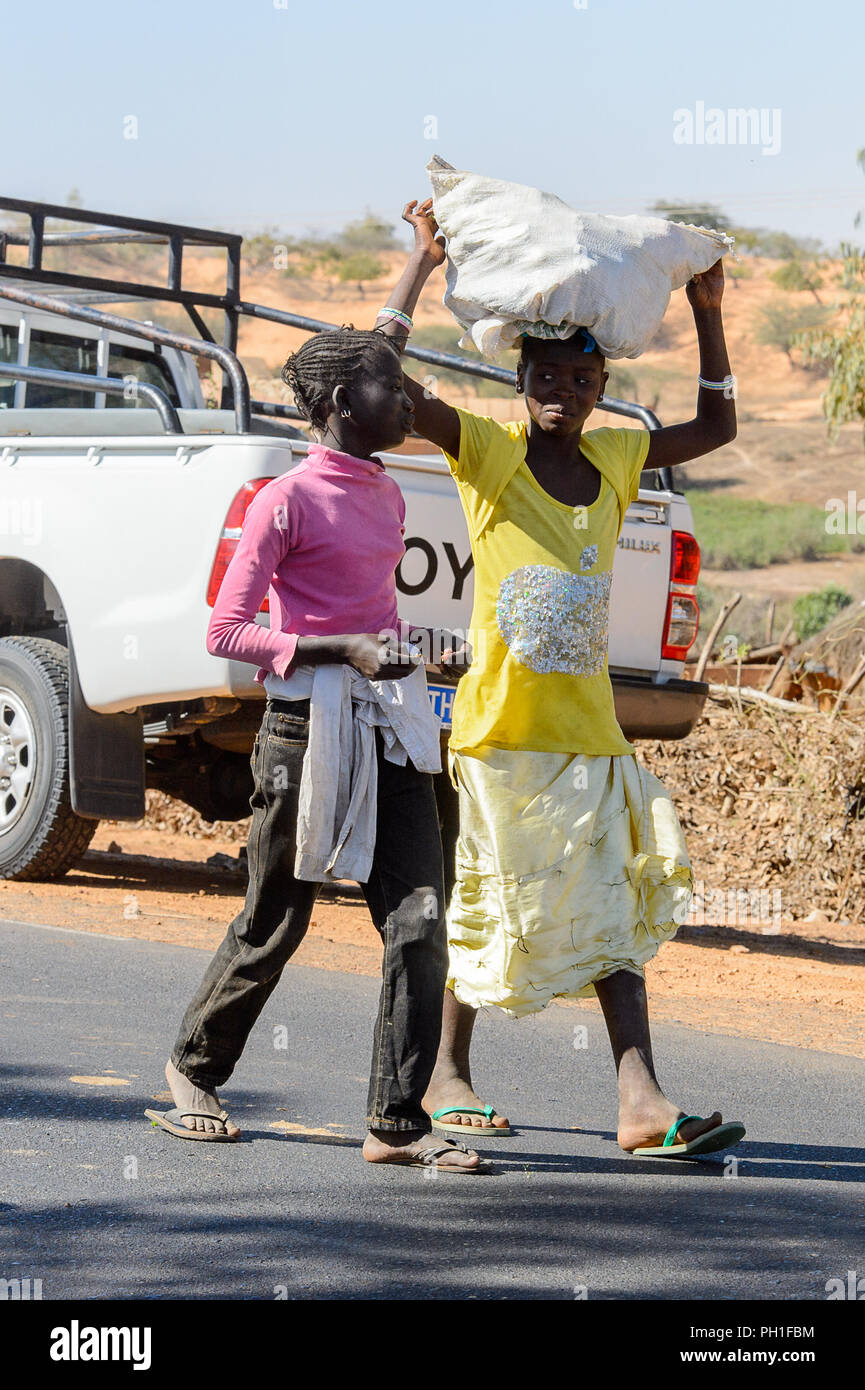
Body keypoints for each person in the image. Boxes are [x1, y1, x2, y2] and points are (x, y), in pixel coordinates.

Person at [371, 198, 746, 1159]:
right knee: (492, 898)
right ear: (522, 377)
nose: (565, 394)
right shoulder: (488, 452)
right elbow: (383, 385)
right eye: (548, 376)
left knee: (612, 907)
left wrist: (707, 309)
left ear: (598, 385)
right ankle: (449, 1074)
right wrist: (419, 265)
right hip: (498, 734)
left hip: (589, 733)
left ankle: (641, 1103)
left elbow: (715, 424)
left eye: (583, 379)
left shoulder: (617, 454)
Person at [145, 324, 487, 1174]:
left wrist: (419, 649)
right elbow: (228, 629)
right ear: (341, 404)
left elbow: (379, 614)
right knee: (276, 918)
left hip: (392, 722)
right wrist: (340, 650)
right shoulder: (284, 499)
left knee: (418, 922)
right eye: (392, 388)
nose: (408, 400)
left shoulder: (388, 493)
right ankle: (194, 1068)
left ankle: (396, 1121)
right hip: (304, 732)